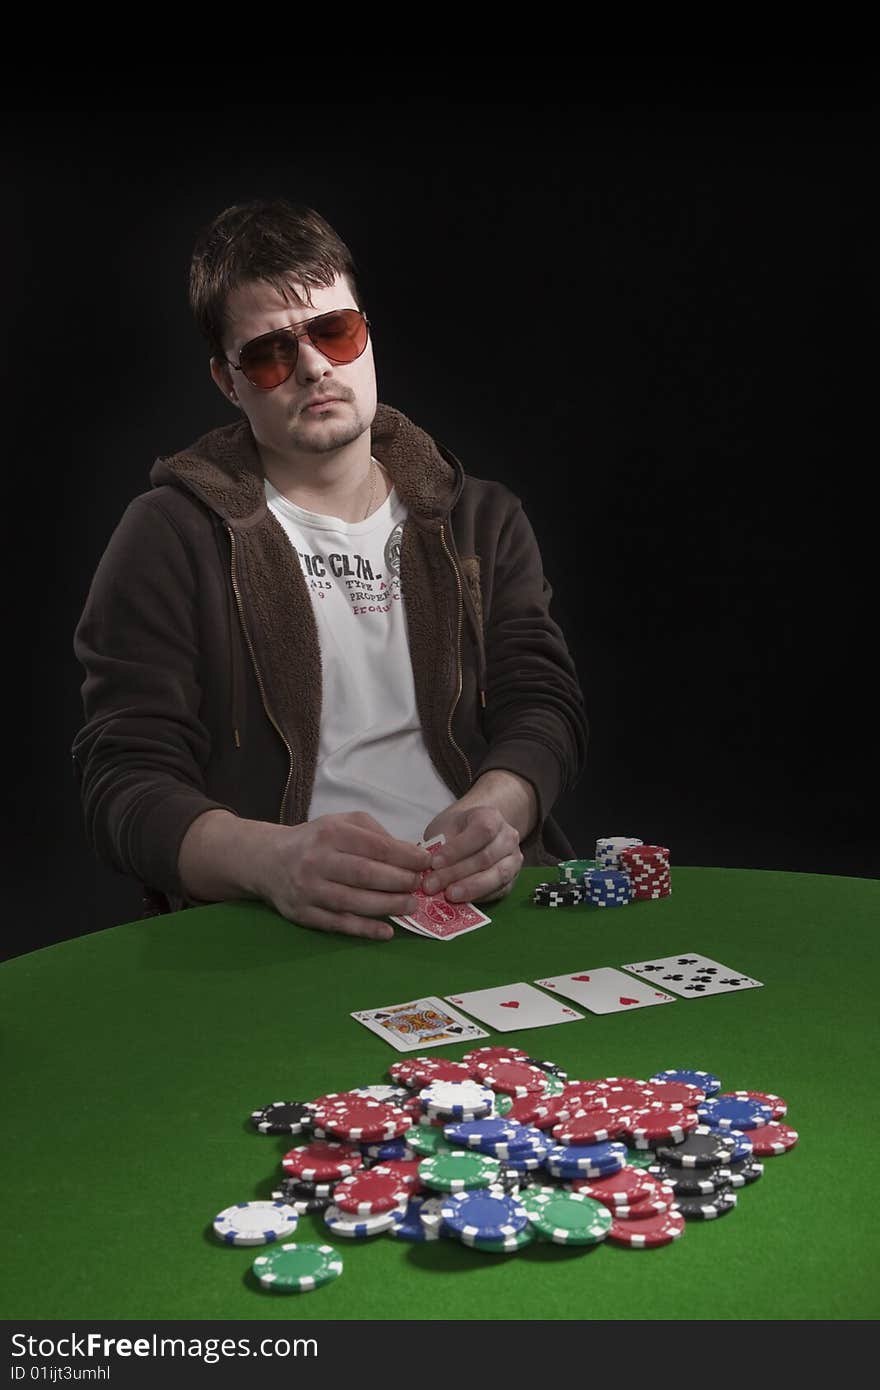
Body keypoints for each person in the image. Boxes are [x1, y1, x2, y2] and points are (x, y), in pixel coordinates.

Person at [72, 199, 588, 941]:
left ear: (366, 334)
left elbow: (544, 703)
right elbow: (120, 781)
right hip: (278, 932)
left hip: (493, 907)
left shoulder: (482, 519)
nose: (313, 366)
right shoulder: (167, 537)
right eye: (270, 353)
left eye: (333, 331)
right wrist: (271, 861)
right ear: (229, 380)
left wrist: (501, 806)